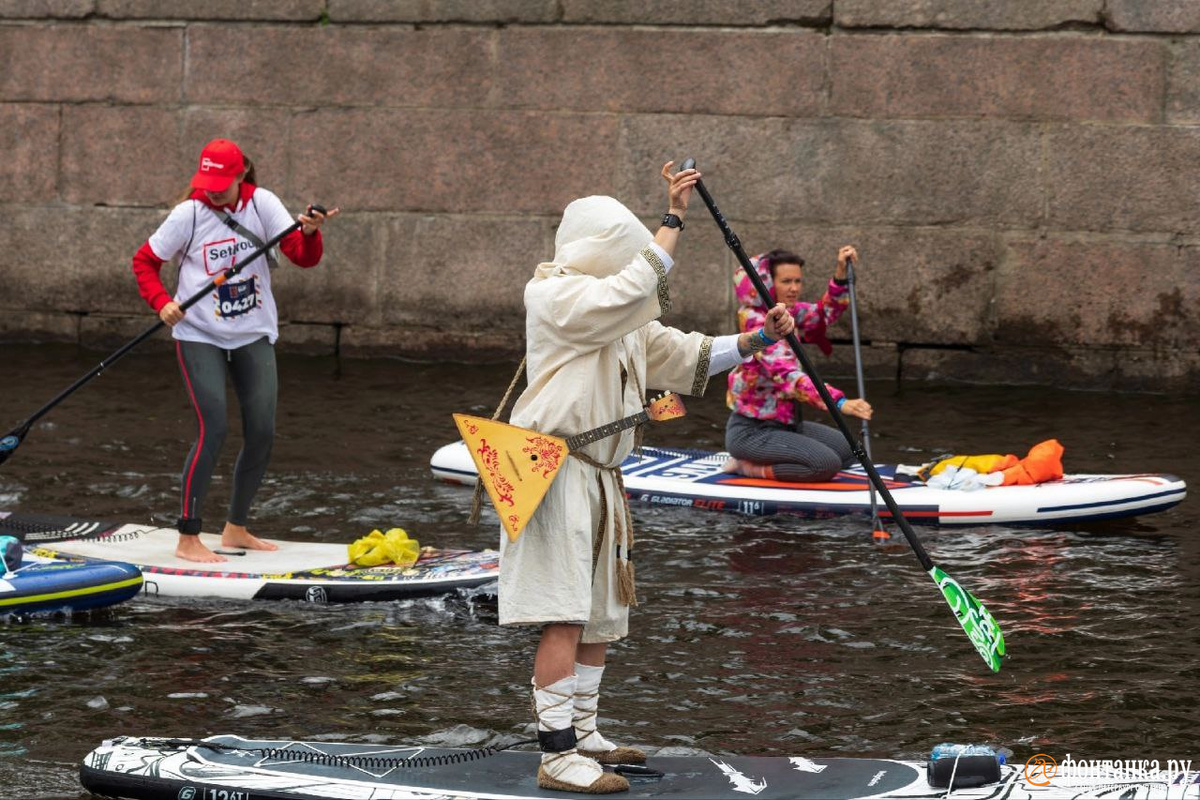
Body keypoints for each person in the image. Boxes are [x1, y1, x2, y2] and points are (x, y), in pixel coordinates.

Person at [500, 161, 795, 794]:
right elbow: (632, 289)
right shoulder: (556, 297)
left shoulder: (622, 320)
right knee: (563, 614)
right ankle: (555, 755)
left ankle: (584, 733)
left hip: (602, 477)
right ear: (604, 252)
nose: (638, 264)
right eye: (628, 252)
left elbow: (684, 354)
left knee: (603, 614)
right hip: (554, 471)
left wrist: (754, 339)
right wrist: (673, 219)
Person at [131, 138, 339, 563]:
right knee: (214, 428)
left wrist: (311, 233)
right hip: (198, 335)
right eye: (206, 182)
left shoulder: (262, 205)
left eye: (221, 184)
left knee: (262, 431)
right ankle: (188, 536)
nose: (212, 190)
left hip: (252, 332)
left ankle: (235, 528)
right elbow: (144, 262)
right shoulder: (188, 214)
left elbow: (301, 257)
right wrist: (162, 303)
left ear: (241, 174)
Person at [724, 246, 873, 482]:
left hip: (787, 423)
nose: (794, 288)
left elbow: (823, 315)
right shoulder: (756, 324)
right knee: (826, 464)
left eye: (798, 281)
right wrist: (839, 402)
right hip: (752, 432)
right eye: (786, 281)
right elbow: (789, 376)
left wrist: (841, 273)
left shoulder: (788, 314)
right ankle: (746, 467)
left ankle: (786, 456)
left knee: (851, 450)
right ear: (767, 284)